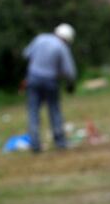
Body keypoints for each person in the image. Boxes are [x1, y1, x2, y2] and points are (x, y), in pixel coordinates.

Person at [23, 24, 77, 152]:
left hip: (33, 78)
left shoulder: (40, 38)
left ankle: (35, 144)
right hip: (50, 81)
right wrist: (70, 84)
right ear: (67, 39)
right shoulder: (62, 47)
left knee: (33, 111)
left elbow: (26, 54)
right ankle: (60, 141)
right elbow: (69, 71)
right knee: (54, 110)